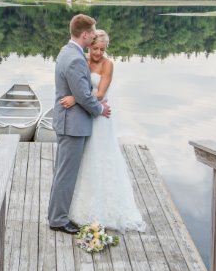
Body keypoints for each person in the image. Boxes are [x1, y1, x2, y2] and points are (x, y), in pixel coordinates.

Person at [62, 29, 145, 232]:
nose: (98, 53)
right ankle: (80, 206)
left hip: (101, 116)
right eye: (95, 48)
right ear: (89, 45)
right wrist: (77, 96)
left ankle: (107, 207)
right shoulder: (81, 60)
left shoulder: (108, 65)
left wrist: (75, 98)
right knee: (85, 157)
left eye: (102, 49)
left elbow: (100, 93)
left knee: (101, 155)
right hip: (85, 114)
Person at [47, 14, 111, 234]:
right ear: (85, 34)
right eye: (92, 32)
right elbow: (83, 96)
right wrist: (101, 109)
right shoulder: (75, 59)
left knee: (62, 171)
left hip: (68, 122)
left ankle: (56, 214)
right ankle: (58, 219)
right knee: (66, 174)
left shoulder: (68, 51)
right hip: (72, 125)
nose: (94, 35)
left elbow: (78, 92)